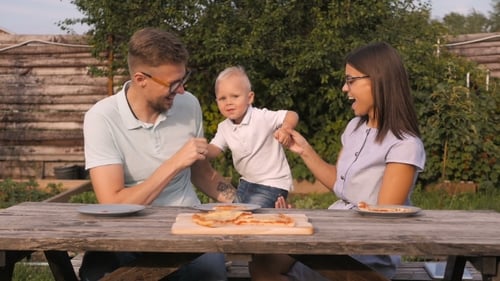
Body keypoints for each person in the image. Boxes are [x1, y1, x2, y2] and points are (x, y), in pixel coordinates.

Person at [250, 42, 426, 281]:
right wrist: (304, 151)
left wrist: (314, 232)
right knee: (261, 261)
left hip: (364, 254)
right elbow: (342, 186)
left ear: (378, 80)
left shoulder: (404, 145)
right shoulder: (354, 127)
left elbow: (383, 225)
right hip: (337, 236)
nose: (345, 88)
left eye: (350, 80)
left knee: (266, 269)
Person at [81, 27, 237, 281]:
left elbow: (203, 174)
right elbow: (113, 204)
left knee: (208, 271)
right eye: (174, 83)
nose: (182, 91)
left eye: (183, 79)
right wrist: (174, 163)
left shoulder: (189, 105)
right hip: (129, 233)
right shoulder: (101, 118)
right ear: (141, 79)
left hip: (190, 228)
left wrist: (244, 203)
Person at [206, 66, 299, 208]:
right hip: (246, 183)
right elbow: (214, 150)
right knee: (236, 215)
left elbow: (291, 115)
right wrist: (201, 149)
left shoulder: (261, 117)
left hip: (272, 184)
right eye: (222, 98)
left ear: (250, 97)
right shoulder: (224, 127)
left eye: (235, 96)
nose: (228, 102)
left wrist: (285, 129)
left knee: (251, 217)